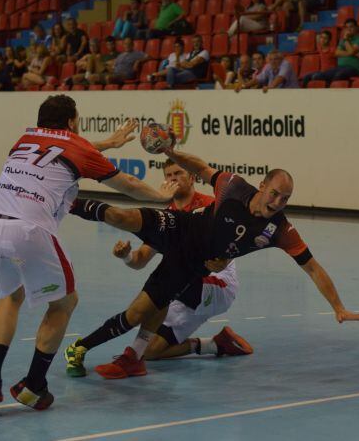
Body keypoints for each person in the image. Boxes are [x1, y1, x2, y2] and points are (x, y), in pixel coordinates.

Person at [63, 141, 359, 380]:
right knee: (122, 216)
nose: (277, 203)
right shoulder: (232, 188)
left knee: (138, 312)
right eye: (274, 194)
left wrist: (338, 307)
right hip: (179, 229)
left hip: (198, 269)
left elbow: (312, 266)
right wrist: (171, 151)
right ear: (262, 186)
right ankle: (67, 202)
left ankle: (88, 349)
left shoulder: (279, 230)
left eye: (284, 199)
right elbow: (202, 166)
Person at [0, 97, 176, 410]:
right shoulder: (79, 148)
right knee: (65, 302)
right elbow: (129, 184)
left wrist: (107, 143)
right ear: (71, 122)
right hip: (29, 230)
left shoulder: (25, 139)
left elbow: (57, 152)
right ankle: (34, 385)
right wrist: (162, 198)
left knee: (10, 297)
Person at [93, 160, 253, 379]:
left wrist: (224, 258)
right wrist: (127, 256)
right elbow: (140, 260)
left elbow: (236, 239)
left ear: (193, 178)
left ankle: (131, 358)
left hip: (217, 285)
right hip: (184, 287)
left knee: (163, 286)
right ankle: (216, 344)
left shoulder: (210, 206)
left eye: (178, 173)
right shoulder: (166, 217)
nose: (173, 178)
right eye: (168, 175)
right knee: (151, 350)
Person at [302, 18, 359, 86]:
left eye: (351, 27)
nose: (349, 29)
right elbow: (339, 52)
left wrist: (346, 39)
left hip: (354, 69)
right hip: (340, 68)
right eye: (347, 27)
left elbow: (351, 51)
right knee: (313, 77)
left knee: (339, 75)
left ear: (356, 28)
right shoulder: (341, 40)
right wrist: (354, 53)